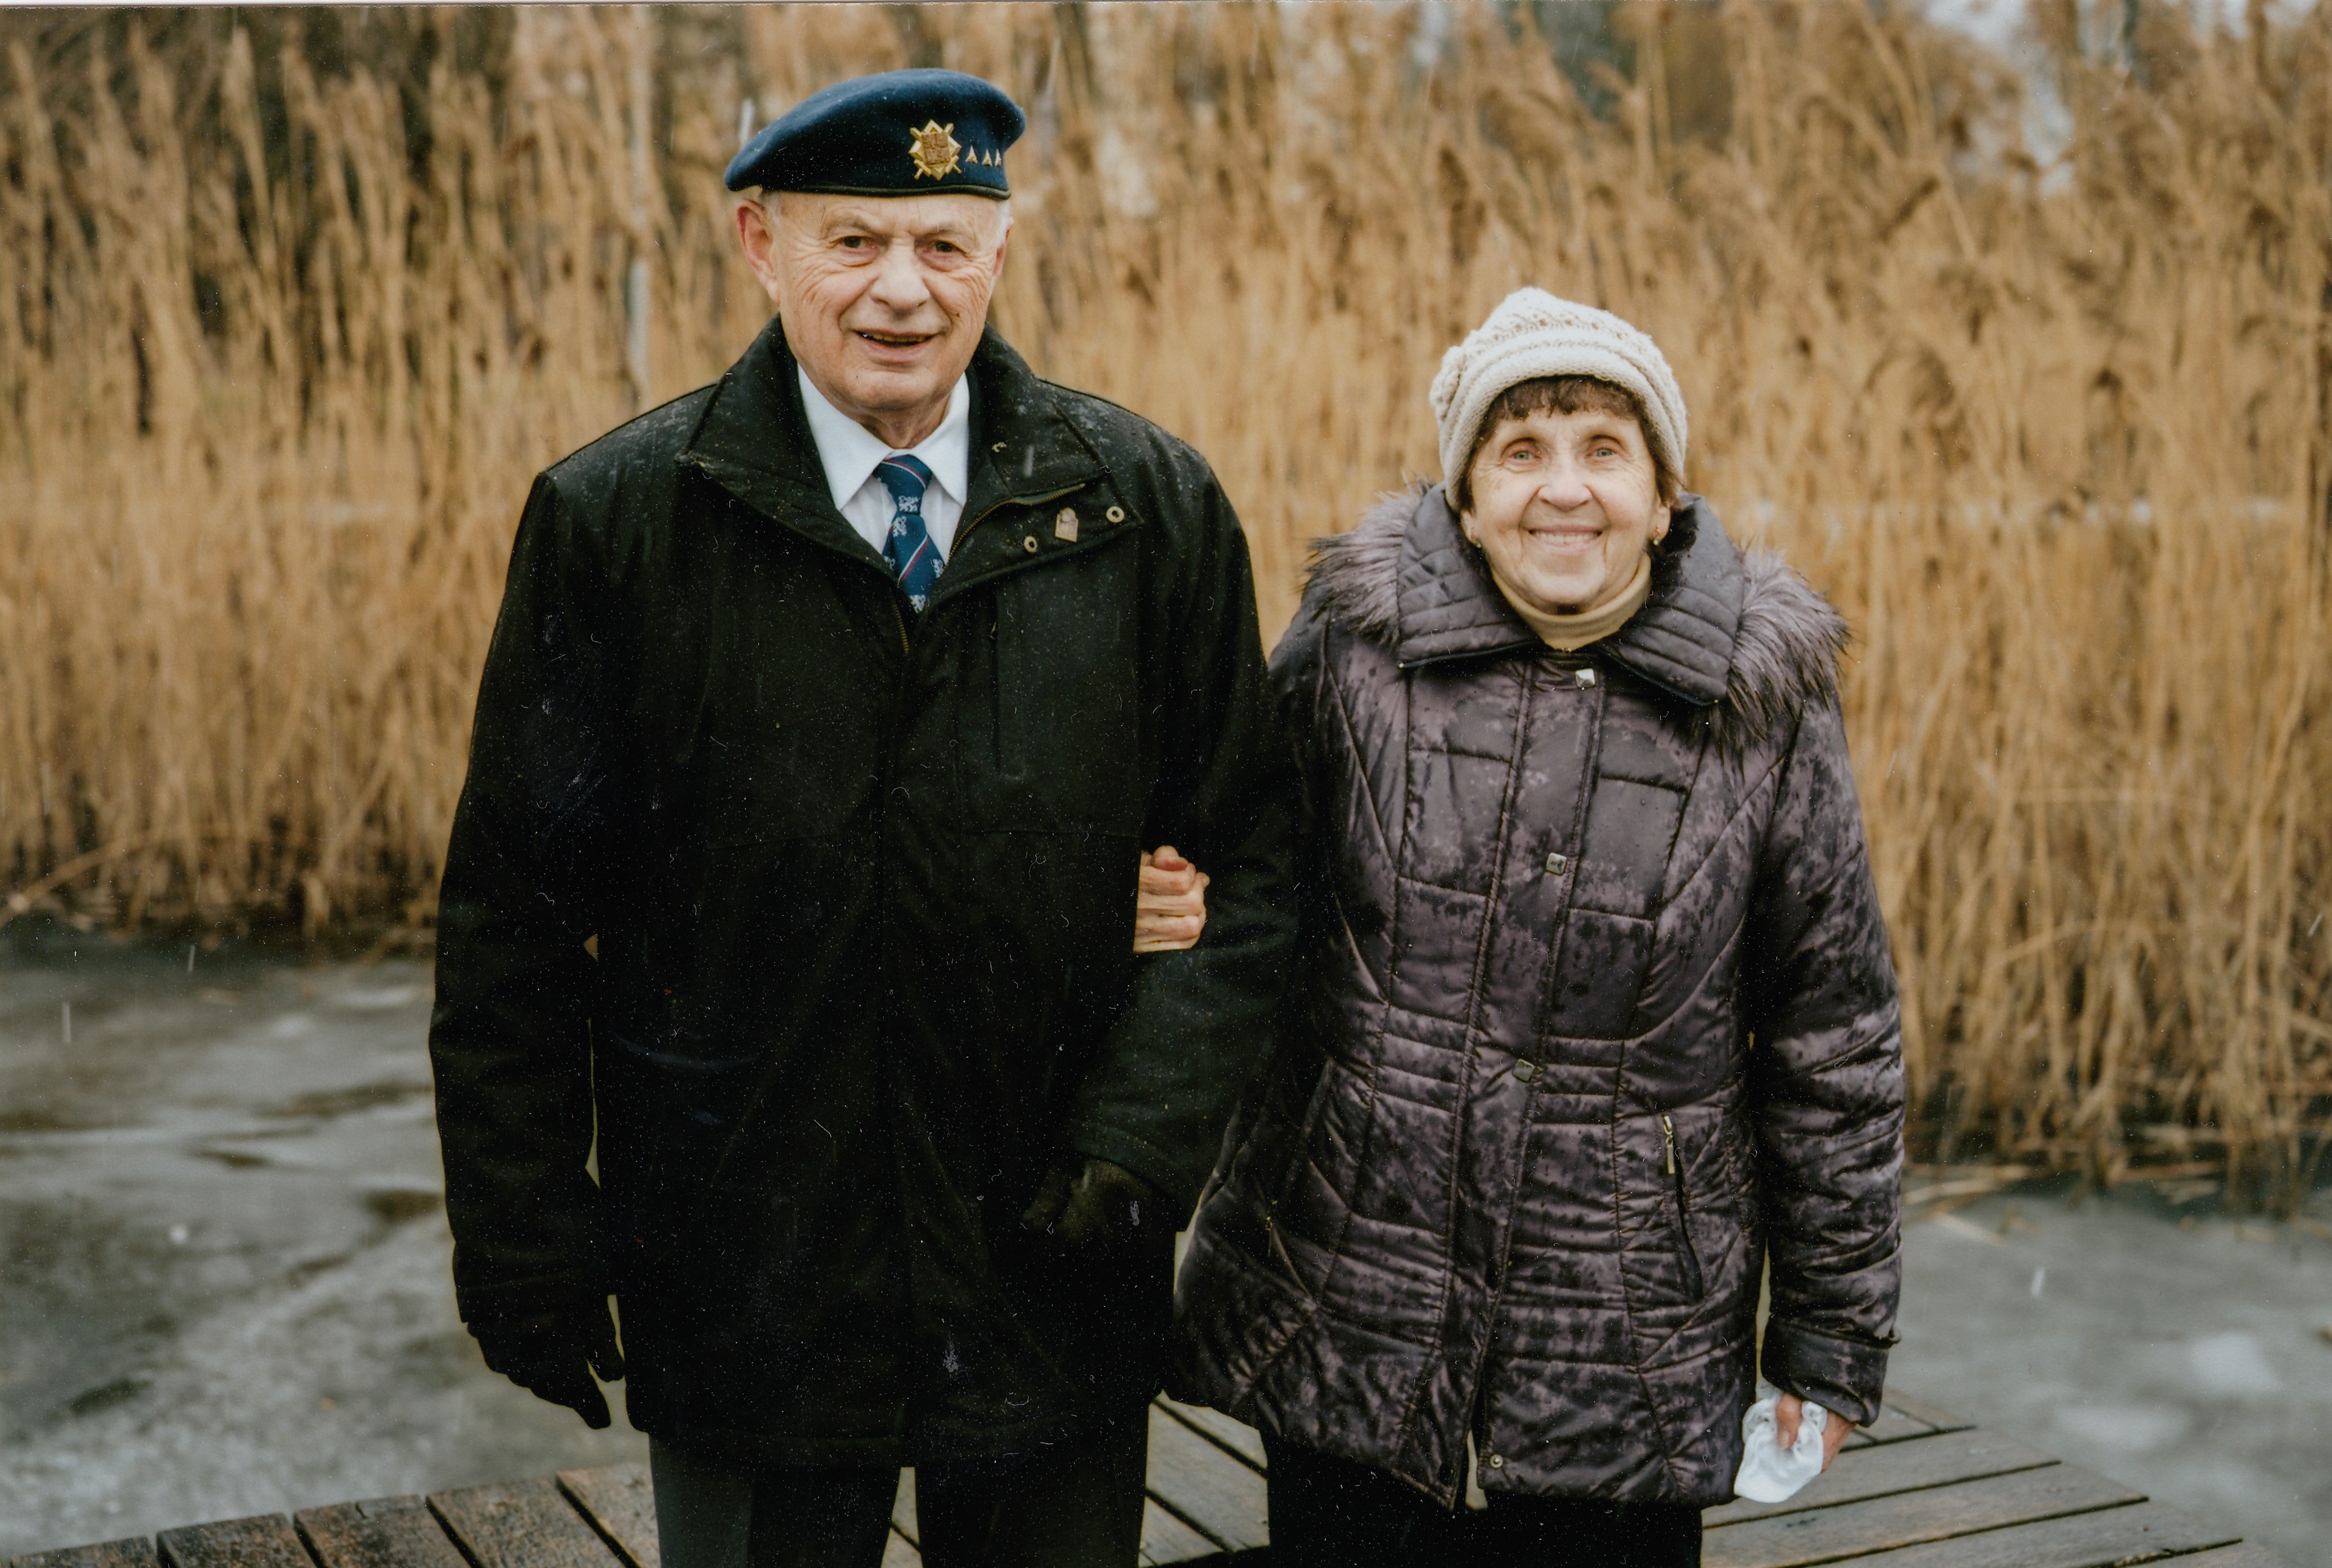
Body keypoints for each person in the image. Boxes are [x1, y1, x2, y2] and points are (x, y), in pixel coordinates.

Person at [428, 69, 1294, 1568]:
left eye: (945, 244)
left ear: (999, 256)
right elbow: (512, 927)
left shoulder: (1142, 509)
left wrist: (1144, 1143)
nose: (904, 289)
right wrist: (525, 1238)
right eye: (855, 241)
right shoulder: (619, 522)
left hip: (1051, 1262)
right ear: (760, 246)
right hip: (745, 1271)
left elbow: (1254, 866)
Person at [1169, 289, 1905, 1567]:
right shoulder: (1349, 651)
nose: (1562, 488)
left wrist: (1829, 1338)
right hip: (1349, 1288)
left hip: (1626, 1330)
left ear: (1664, 497)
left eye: (1603, 449)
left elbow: (1831, 1037)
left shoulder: (1762, 703)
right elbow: (1234, 887)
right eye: (1519, 450)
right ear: (1463, 500)